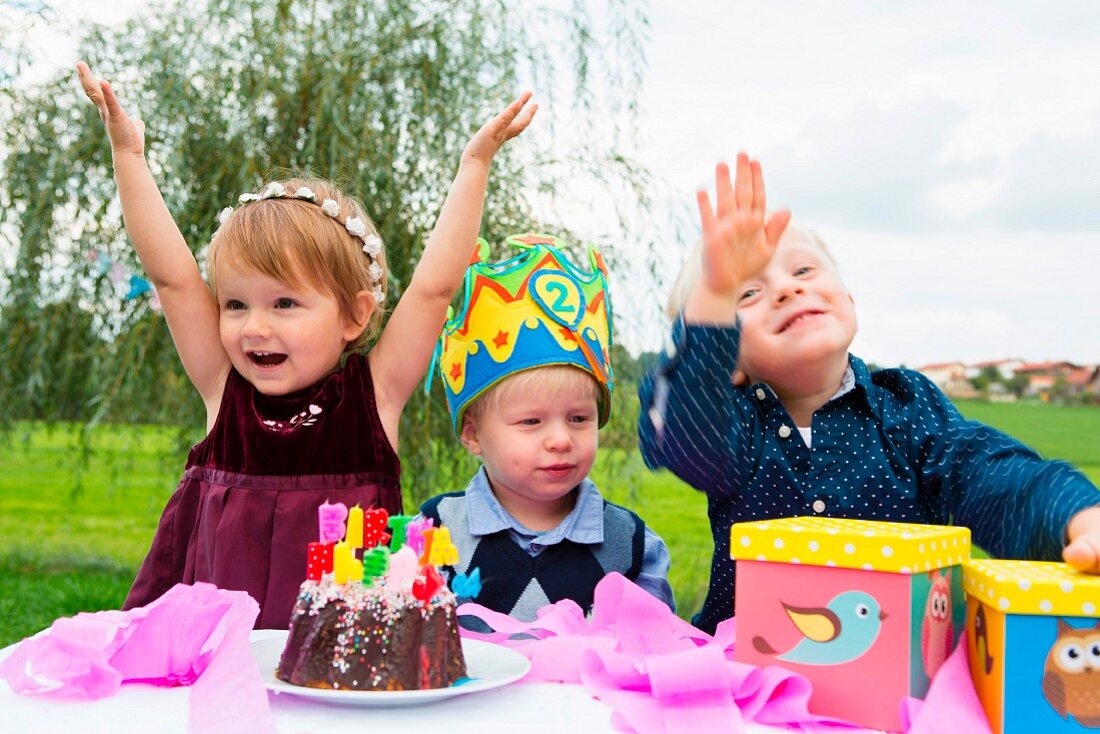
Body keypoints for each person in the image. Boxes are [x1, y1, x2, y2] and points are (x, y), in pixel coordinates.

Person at [77, 61, 537, 628]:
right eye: (236, 304)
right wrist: (129, 156)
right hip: (222, 655)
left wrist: (475, 164)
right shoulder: (224, 390)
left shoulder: (376, 396)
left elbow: (433, 289)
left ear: (353, 315)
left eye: (285, 304)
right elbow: (172, 276)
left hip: (340, 666)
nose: (254, 327)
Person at [638, 153, 1100, 634]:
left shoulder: (907, 406)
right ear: (725, 359)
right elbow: (684, 429)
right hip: (753, 685)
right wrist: (712, 292)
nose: (786, 291)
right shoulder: (733, 431)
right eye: (747, 292)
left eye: (804, 272)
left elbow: (987, 476)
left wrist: (1077, 515)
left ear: (849, 300)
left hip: (902, 680)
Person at [419, 234, 674, 623]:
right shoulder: (437, 530)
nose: (560, 440)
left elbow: (653, 650)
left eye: (579, 419)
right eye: (531, 422)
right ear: (472, 434)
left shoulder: (630, 544)